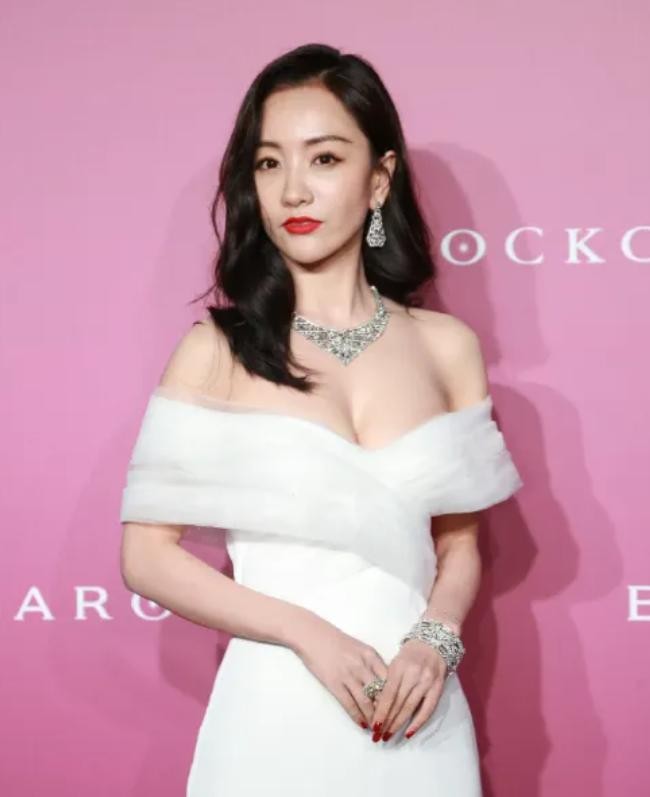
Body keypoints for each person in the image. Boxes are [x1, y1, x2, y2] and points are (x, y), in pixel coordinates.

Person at [119, 43, 523, 796]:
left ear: (380, 178)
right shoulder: (217, 350)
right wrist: (310, 634)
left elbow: (460, 542)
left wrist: (435, 642)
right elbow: (146, 557)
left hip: (419, 709)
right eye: (269, 163)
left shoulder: (447, 348)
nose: (293, 190)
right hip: (275, 705)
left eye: (325, 159)